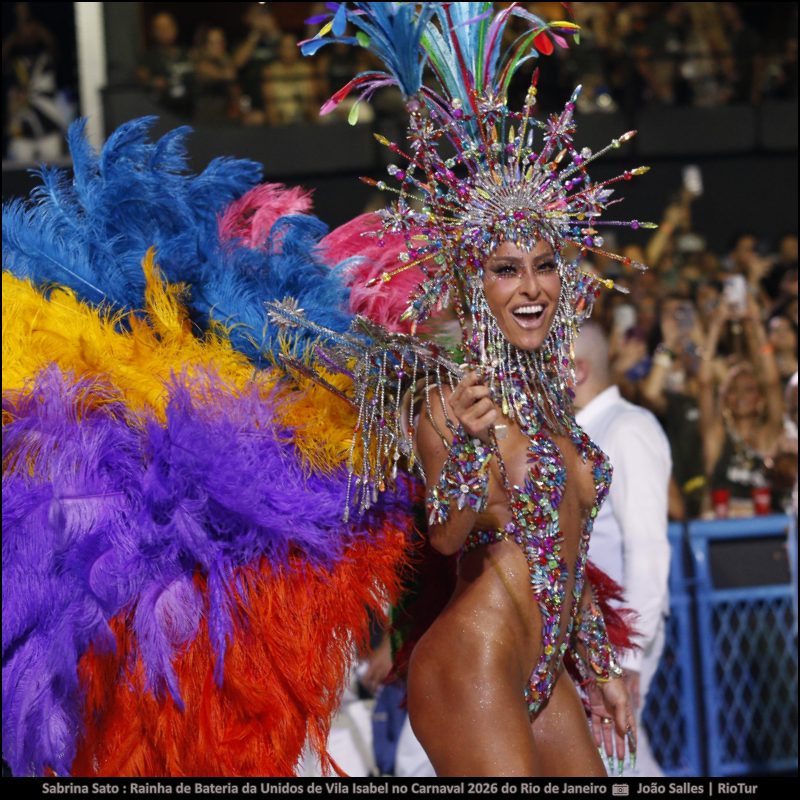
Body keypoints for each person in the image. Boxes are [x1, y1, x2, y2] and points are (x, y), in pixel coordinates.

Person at [574, 322, 672, 777]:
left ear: (576, 371)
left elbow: (649, 550)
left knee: (616, 760)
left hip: (619, 638)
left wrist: (628, 659)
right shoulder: (580, 432)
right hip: (591, 634)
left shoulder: (627, 428)